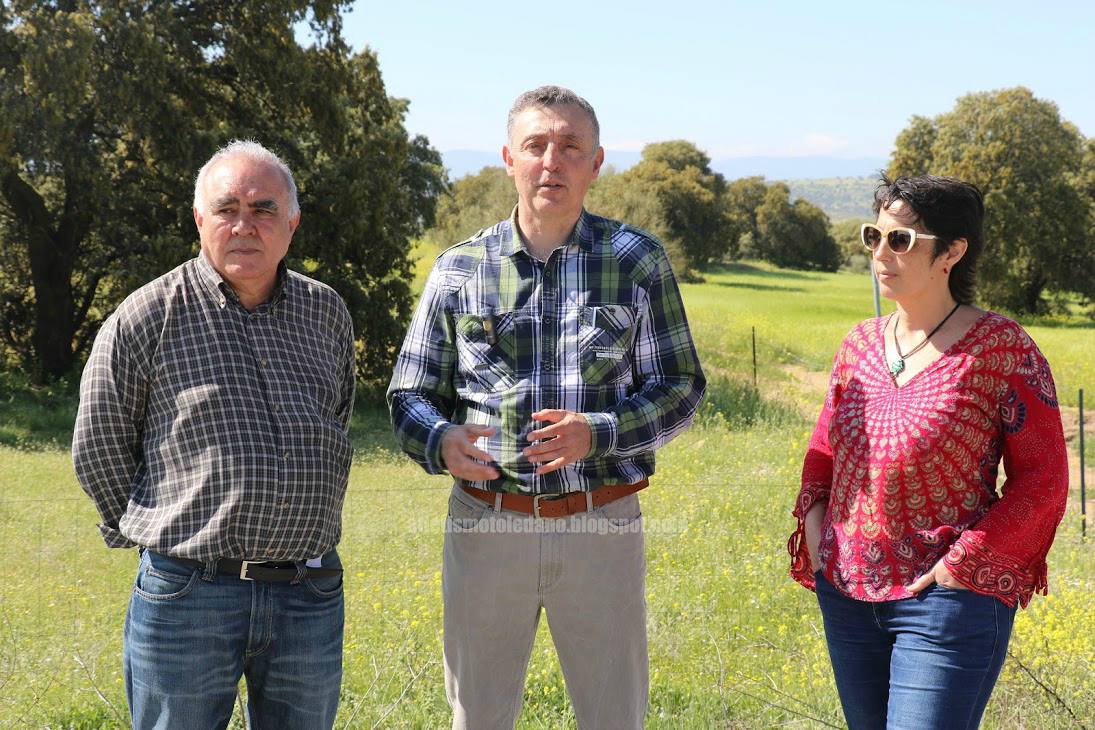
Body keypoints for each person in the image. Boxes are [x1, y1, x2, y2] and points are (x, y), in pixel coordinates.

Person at [388, 85, 705, 729]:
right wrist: (441, 439)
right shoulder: (459, 269)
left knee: (614, 716)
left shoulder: (636, 262)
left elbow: (681, 384)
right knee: (478, 716)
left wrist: (601, 431)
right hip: (485, 523)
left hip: (602, 523)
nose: (551, 162)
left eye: (570, 147)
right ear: (509, 158)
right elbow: (410, 393)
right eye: (536, 146)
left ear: (597, 162)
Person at [72, 140, 355, 729]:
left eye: (264, 209)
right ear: (200, 218)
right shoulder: (146, 317)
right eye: (227, 208)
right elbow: (99, 445)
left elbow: (340, 414)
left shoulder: (325, 312)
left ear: (293, 223)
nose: (244, 225)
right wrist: (158, 534)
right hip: (188, 596)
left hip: (310, 594)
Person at [788, 174, 1069, 729]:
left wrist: (962, 567)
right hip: (845, 593)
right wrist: (817, 526)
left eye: (901, 240)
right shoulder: (859, 344)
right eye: (875, 236)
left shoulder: (1002, 349)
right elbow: (825, 450)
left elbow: (1044, 480)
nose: (881, 253)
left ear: (953, 252)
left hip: (945, 602)